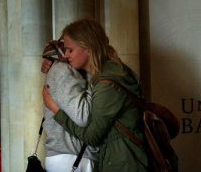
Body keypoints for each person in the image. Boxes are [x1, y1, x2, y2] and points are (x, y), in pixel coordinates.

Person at [41, 18, 148, 172]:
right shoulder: (111, 71)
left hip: (122, 162)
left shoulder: (107, 83)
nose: (65, 54)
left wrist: (57, 111)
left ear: (89, 48)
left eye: (70, 50)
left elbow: (92, 136)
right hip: (119, 158)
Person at [40, 39, 98, 172]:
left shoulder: (65, 68)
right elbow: (83, 116)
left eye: (70, 50)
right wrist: (93, 76)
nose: (66, 54)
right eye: (67, 49)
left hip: (71, 157)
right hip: (72, 157)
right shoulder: (63, 70)